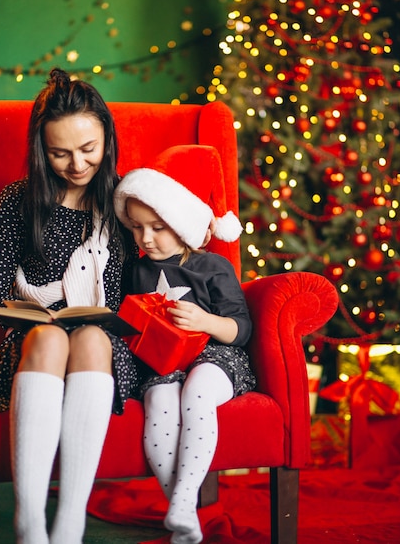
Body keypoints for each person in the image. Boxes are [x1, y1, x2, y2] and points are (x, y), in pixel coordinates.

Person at [0, 68, 140, 544]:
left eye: (88, 150)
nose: (77, 164)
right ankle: (29, 522)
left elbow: (133, 291)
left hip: (101, 344)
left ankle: (71, 520)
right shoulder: (18, 200)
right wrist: (41, 311)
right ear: (40, 150)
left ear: (107, 139)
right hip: (33, 344)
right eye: (60, 153)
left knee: (91, 337)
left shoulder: (123, 203)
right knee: (51, 336)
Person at [113, 144, 256, 544]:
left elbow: (241, 330)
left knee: (196, 394)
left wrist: (206, 321)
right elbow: (127, 326)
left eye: (158, 228)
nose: (146, 238)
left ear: (183, 222)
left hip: (217, 358)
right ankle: (184, 512)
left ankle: (184, 496)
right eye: (138, 227)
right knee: (160, 402)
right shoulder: (135, 269)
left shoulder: (212, 266)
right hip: (162, 362)